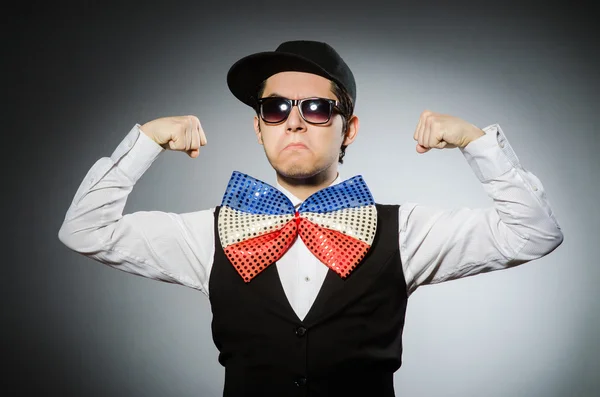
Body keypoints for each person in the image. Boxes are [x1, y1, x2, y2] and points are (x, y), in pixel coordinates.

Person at [58, 40, 564, 396]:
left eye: (319, 107)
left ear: (350, 129)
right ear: (259, 128)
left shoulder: (406, 233)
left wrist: (477, 144)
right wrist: (145, 139)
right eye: (275, 108)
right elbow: (85, 230)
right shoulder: (208, 236)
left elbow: (533, 233)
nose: (294, 120)